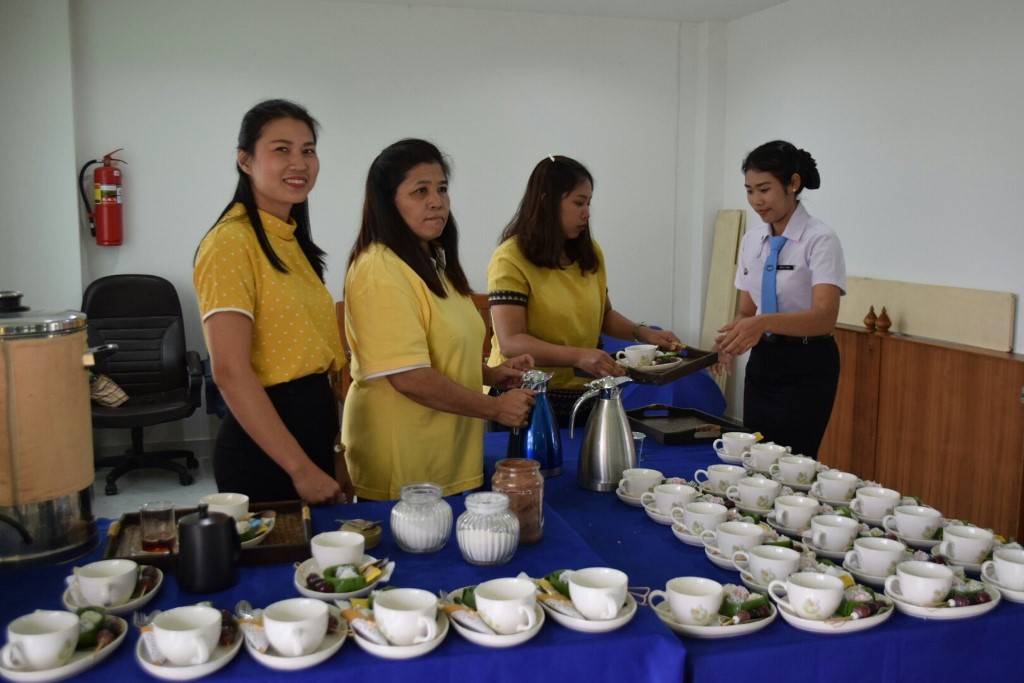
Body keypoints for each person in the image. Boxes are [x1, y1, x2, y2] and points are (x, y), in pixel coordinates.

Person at [342, 138, 536, 501]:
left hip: (448, 454)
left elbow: (438, 352)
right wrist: (495, 407)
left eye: (442, 189)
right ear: (388, 202)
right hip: (405, 460)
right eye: (420, 191)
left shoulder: (433, 263)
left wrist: (491, 374)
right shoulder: (379, 269)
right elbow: (409, 377)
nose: (437, 201)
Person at [194, 99, 352, 504]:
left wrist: (334, 449)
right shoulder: (231, 242)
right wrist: (300, 469)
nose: (299, 163)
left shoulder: (287, 237)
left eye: (308, 150)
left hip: (309, 431)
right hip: (265, 451)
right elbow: (230, 370)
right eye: (282, 149)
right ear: (245, 160)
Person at [486, 155, 683, 424]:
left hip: (583, 393)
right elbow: (511, 342)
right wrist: (579, 357)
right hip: (526, 396)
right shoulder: (510, 258)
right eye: (578, 203)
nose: (587, 213)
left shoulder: (589, 253)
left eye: (588, 203)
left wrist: (643, 332)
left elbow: (604, 315)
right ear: (546, 201)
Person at [713, 140, 846, 459]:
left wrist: (763, 322)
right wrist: (732, 339)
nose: (756, 200)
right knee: (754, 456)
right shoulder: (752, 241)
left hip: (807, 365)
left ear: (793, 184)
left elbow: (824, 316)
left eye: (764, 189)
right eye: (749, 191)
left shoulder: (820, 239)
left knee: (792, 463)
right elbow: (747, 312)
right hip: (764, 363)